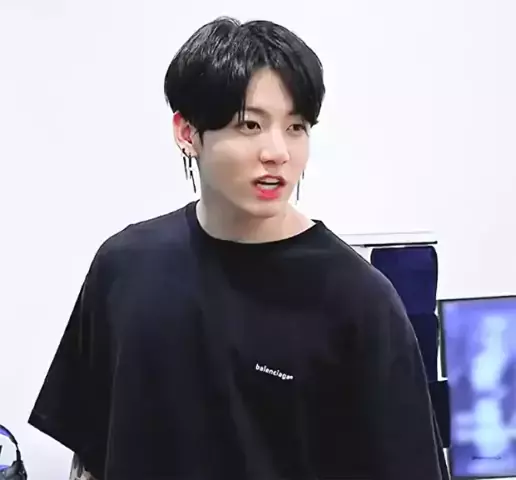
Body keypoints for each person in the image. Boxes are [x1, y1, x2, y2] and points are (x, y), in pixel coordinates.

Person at [28, 16, 448, 480]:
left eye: (296, 127)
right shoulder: (123, 267)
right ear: (187, 132)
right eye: (250, 125)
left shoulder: (360, 302)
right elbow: (91, 457)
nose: (278, 152)